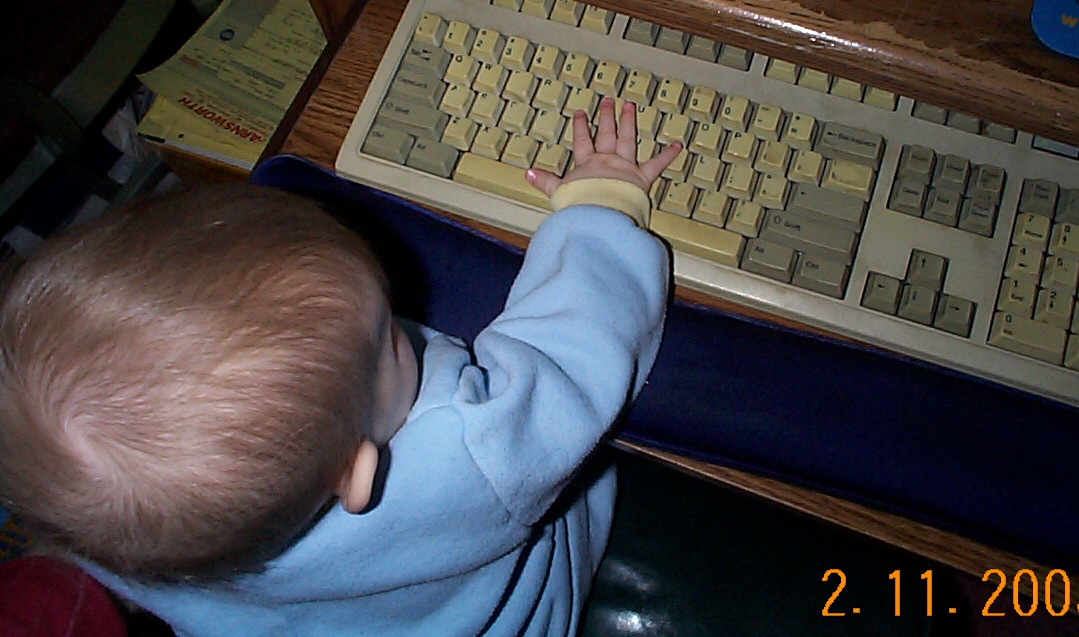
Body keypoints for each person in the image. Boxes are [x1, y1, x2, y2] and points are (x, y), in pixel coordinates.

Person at [0, 97, 682, 637]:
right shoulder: (471, 456)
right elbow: (572, 354)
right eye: (389, 335)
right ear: (357, 474)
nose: (403, 320)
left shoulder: (119, 543)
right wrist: (601, 209)